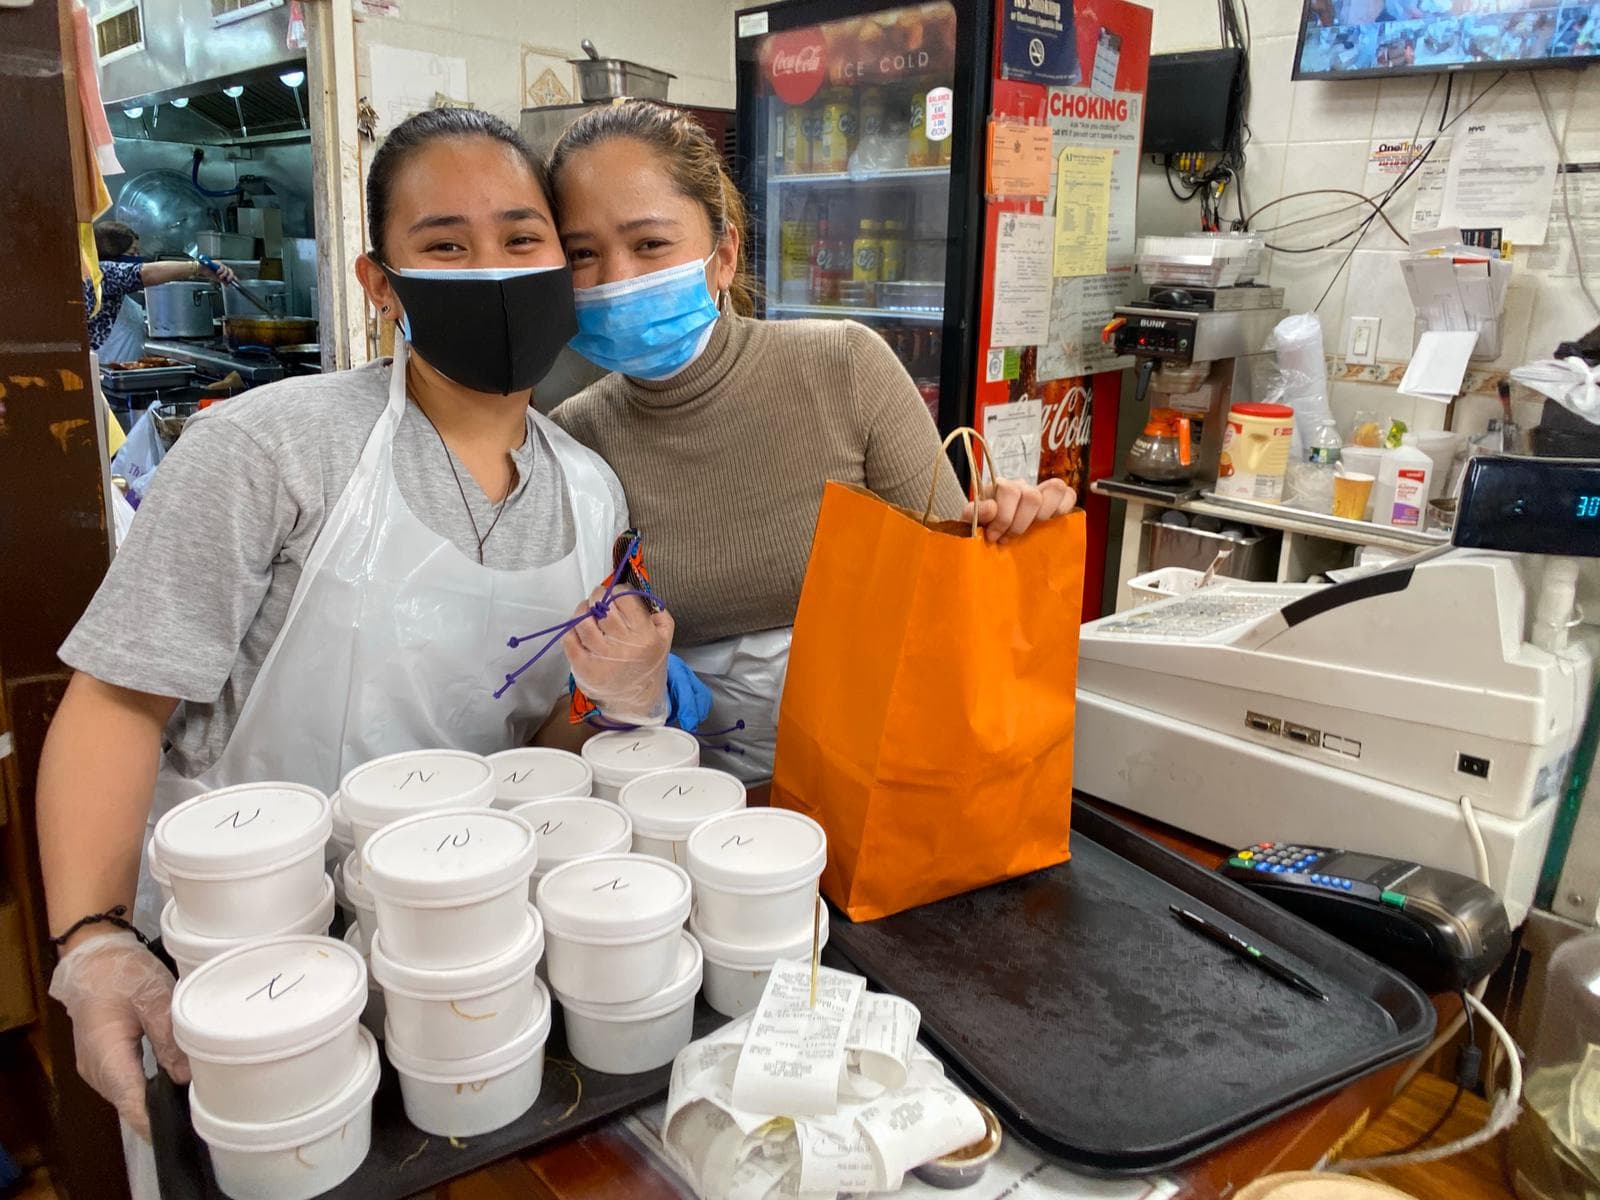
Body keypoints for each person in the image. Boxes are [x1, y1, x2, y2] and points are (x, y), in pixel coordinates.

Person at [38, 108, 670, 1180]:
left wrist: (612, 698)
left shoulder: (590, 490)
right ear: (382, 282)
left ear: (561, 268)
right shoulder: (271, 448)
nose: (492, 270)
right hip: (250, 962)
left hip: (460, 955)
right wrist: (93, 938)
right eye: (445, 245)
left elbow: (536, 749)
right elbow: (117, 702)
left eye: (521, 239)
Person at [547, 100, 1074, 781]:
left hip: (884, 782)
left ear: (723, 255)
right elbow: (581, 676)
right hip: (684, 794)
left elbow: (950, 592)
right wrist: (627, 691)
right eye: (583, 254)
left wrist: (1010, 528)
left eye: (650, 244)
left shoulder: (844, 368)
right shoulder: (575, 439)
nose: (618, 278)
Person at [85, 221, 236, 355]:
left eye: (138, 252)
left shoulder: (116, 290)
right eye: (132, 253)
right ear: (111, 255)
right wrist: (198, 267)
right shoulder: (101, 274)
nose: (137, 258)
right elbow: (142, 273)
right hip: (105, 372)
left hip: (125, 371)